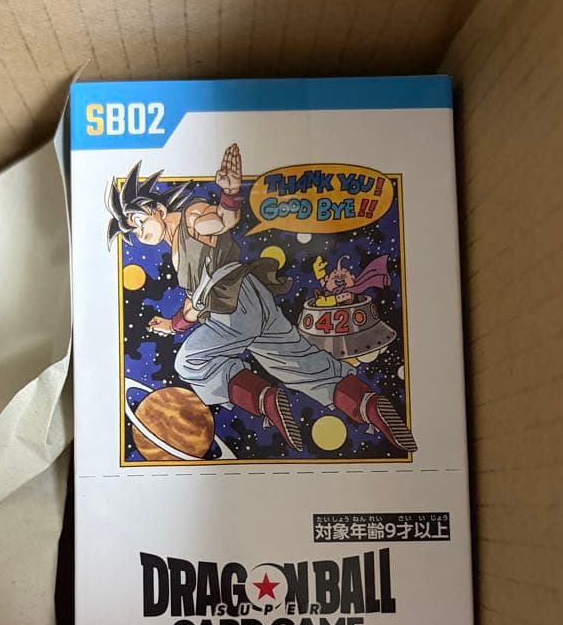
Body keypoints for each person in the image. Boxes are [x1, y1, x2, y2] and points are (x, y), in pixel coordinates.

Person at [106, 144, 416, 453]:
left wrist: (230, 195)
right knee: (301, 364)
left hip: (233, 306)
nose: (138, 233)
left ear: (157, 210)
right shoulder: (175, 244)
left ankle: (263, 398)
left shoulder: (190, 217)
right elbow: (194, 307)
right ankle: (369, 404)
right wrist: (172, 325)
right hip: (253, 298)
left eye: (138, 221)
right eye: (132, 232)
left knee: (189, 361)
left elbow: (221, 222)